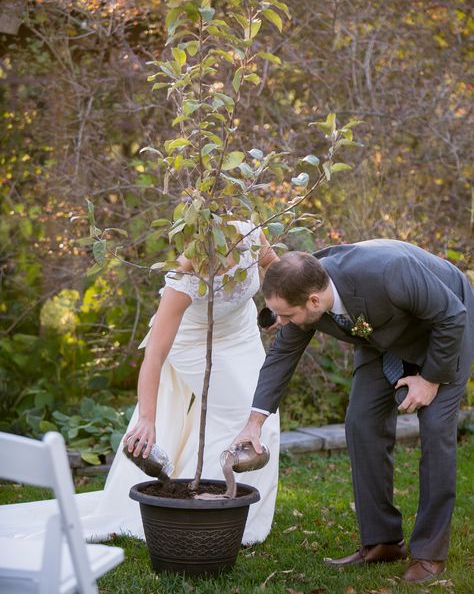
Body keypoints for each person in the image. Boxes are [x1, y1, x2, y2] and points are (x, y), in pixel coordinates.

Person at [0, 220, 280, 546]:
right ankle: (207, 517)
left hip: (240, 332)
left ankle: (237, 511)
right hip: (191, 340)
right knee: (240, 416)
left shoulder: (248, 232)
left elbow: (272, 266)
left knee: (263, 415)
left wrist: (274, 306)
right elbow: (154, 357)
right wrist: (147, 418)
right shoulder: (185, 276)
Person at [233, 239, 473, 583]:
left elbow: (452, 316)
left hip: (446, 327)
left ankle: (429, 554)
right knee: (362, 423)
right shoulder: (302, 286)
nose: (282, 323)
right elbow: (281, 358)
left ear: (314, 301)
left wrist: (430, 379)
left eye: (287, 315)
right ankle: (383, 541)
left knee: (435, 431)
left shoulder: (389, 272)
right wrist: (253, 424)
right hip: (382, 332)